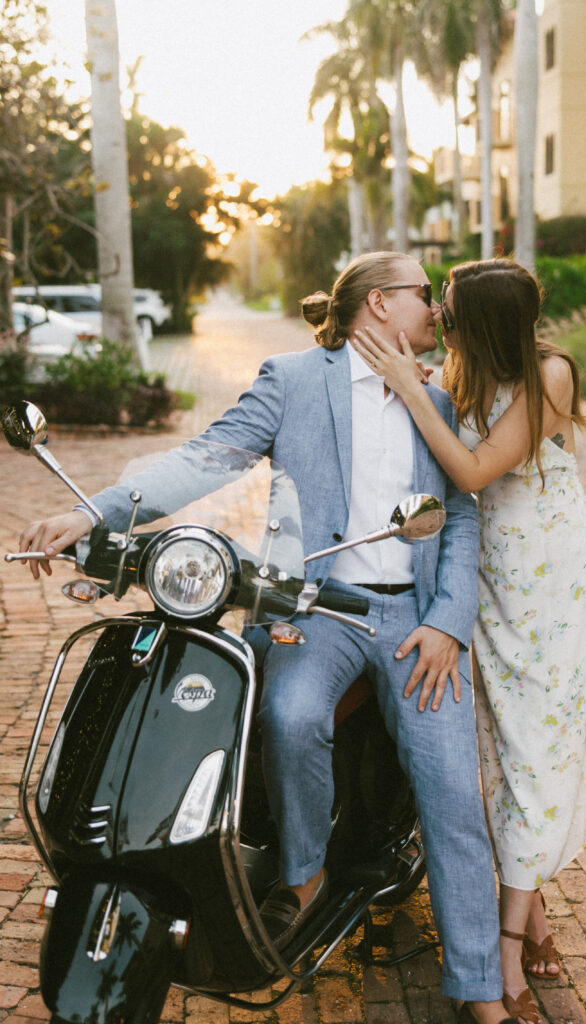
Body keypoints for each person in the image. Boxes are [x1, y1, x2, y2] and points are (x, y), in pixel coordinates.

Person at [19, 251, 519, 1024]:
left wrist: (447, 622)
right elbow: (205, 459)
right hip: (316, 610)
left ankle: (479, 990)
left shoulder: (440, 400)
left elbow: (458, 516)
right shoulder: (292, 380)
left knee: (453, 793)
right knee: (287, 717)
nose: (437, 311)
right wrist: (97, 513)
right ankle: (305, 876)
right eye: (424, 295)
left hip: (414, 621)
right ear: (379, 304)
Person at [351, 258, 586, 1024]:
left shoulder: (550, 374)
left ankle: (506, 941)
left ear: (484, 318)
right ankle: (531, 916)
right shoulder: (458, 370)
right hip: (484, 574)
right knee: (493, 747)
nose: (437, 314)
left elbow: (472, 470)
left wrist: (413, 390)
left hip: (551, 577)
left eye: (447, 305)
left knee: (536, 747)